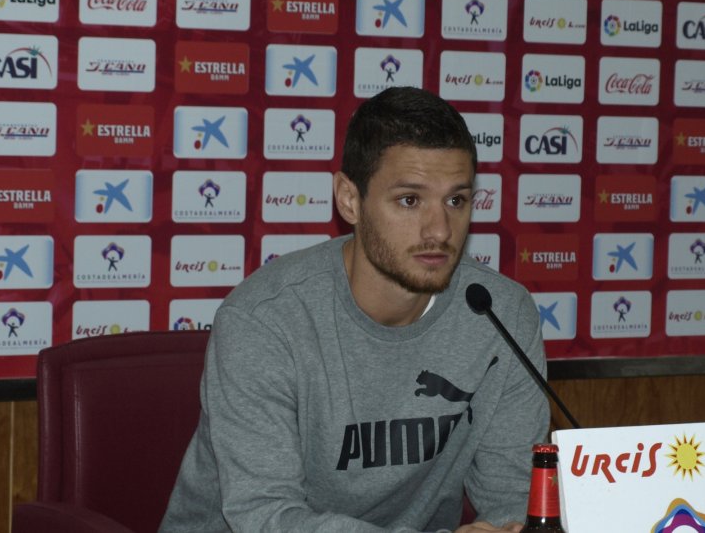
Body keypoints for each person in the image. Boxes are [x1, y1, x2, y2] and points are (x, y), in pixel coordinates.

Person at [161, 87, 550, 532]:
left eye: (455, 200)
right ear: (350, 199)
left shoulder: (501, 315)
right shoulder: (265, 320)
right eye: (409, 200)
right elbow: (266, 517)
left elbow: (515, 502)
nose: (440, 229)